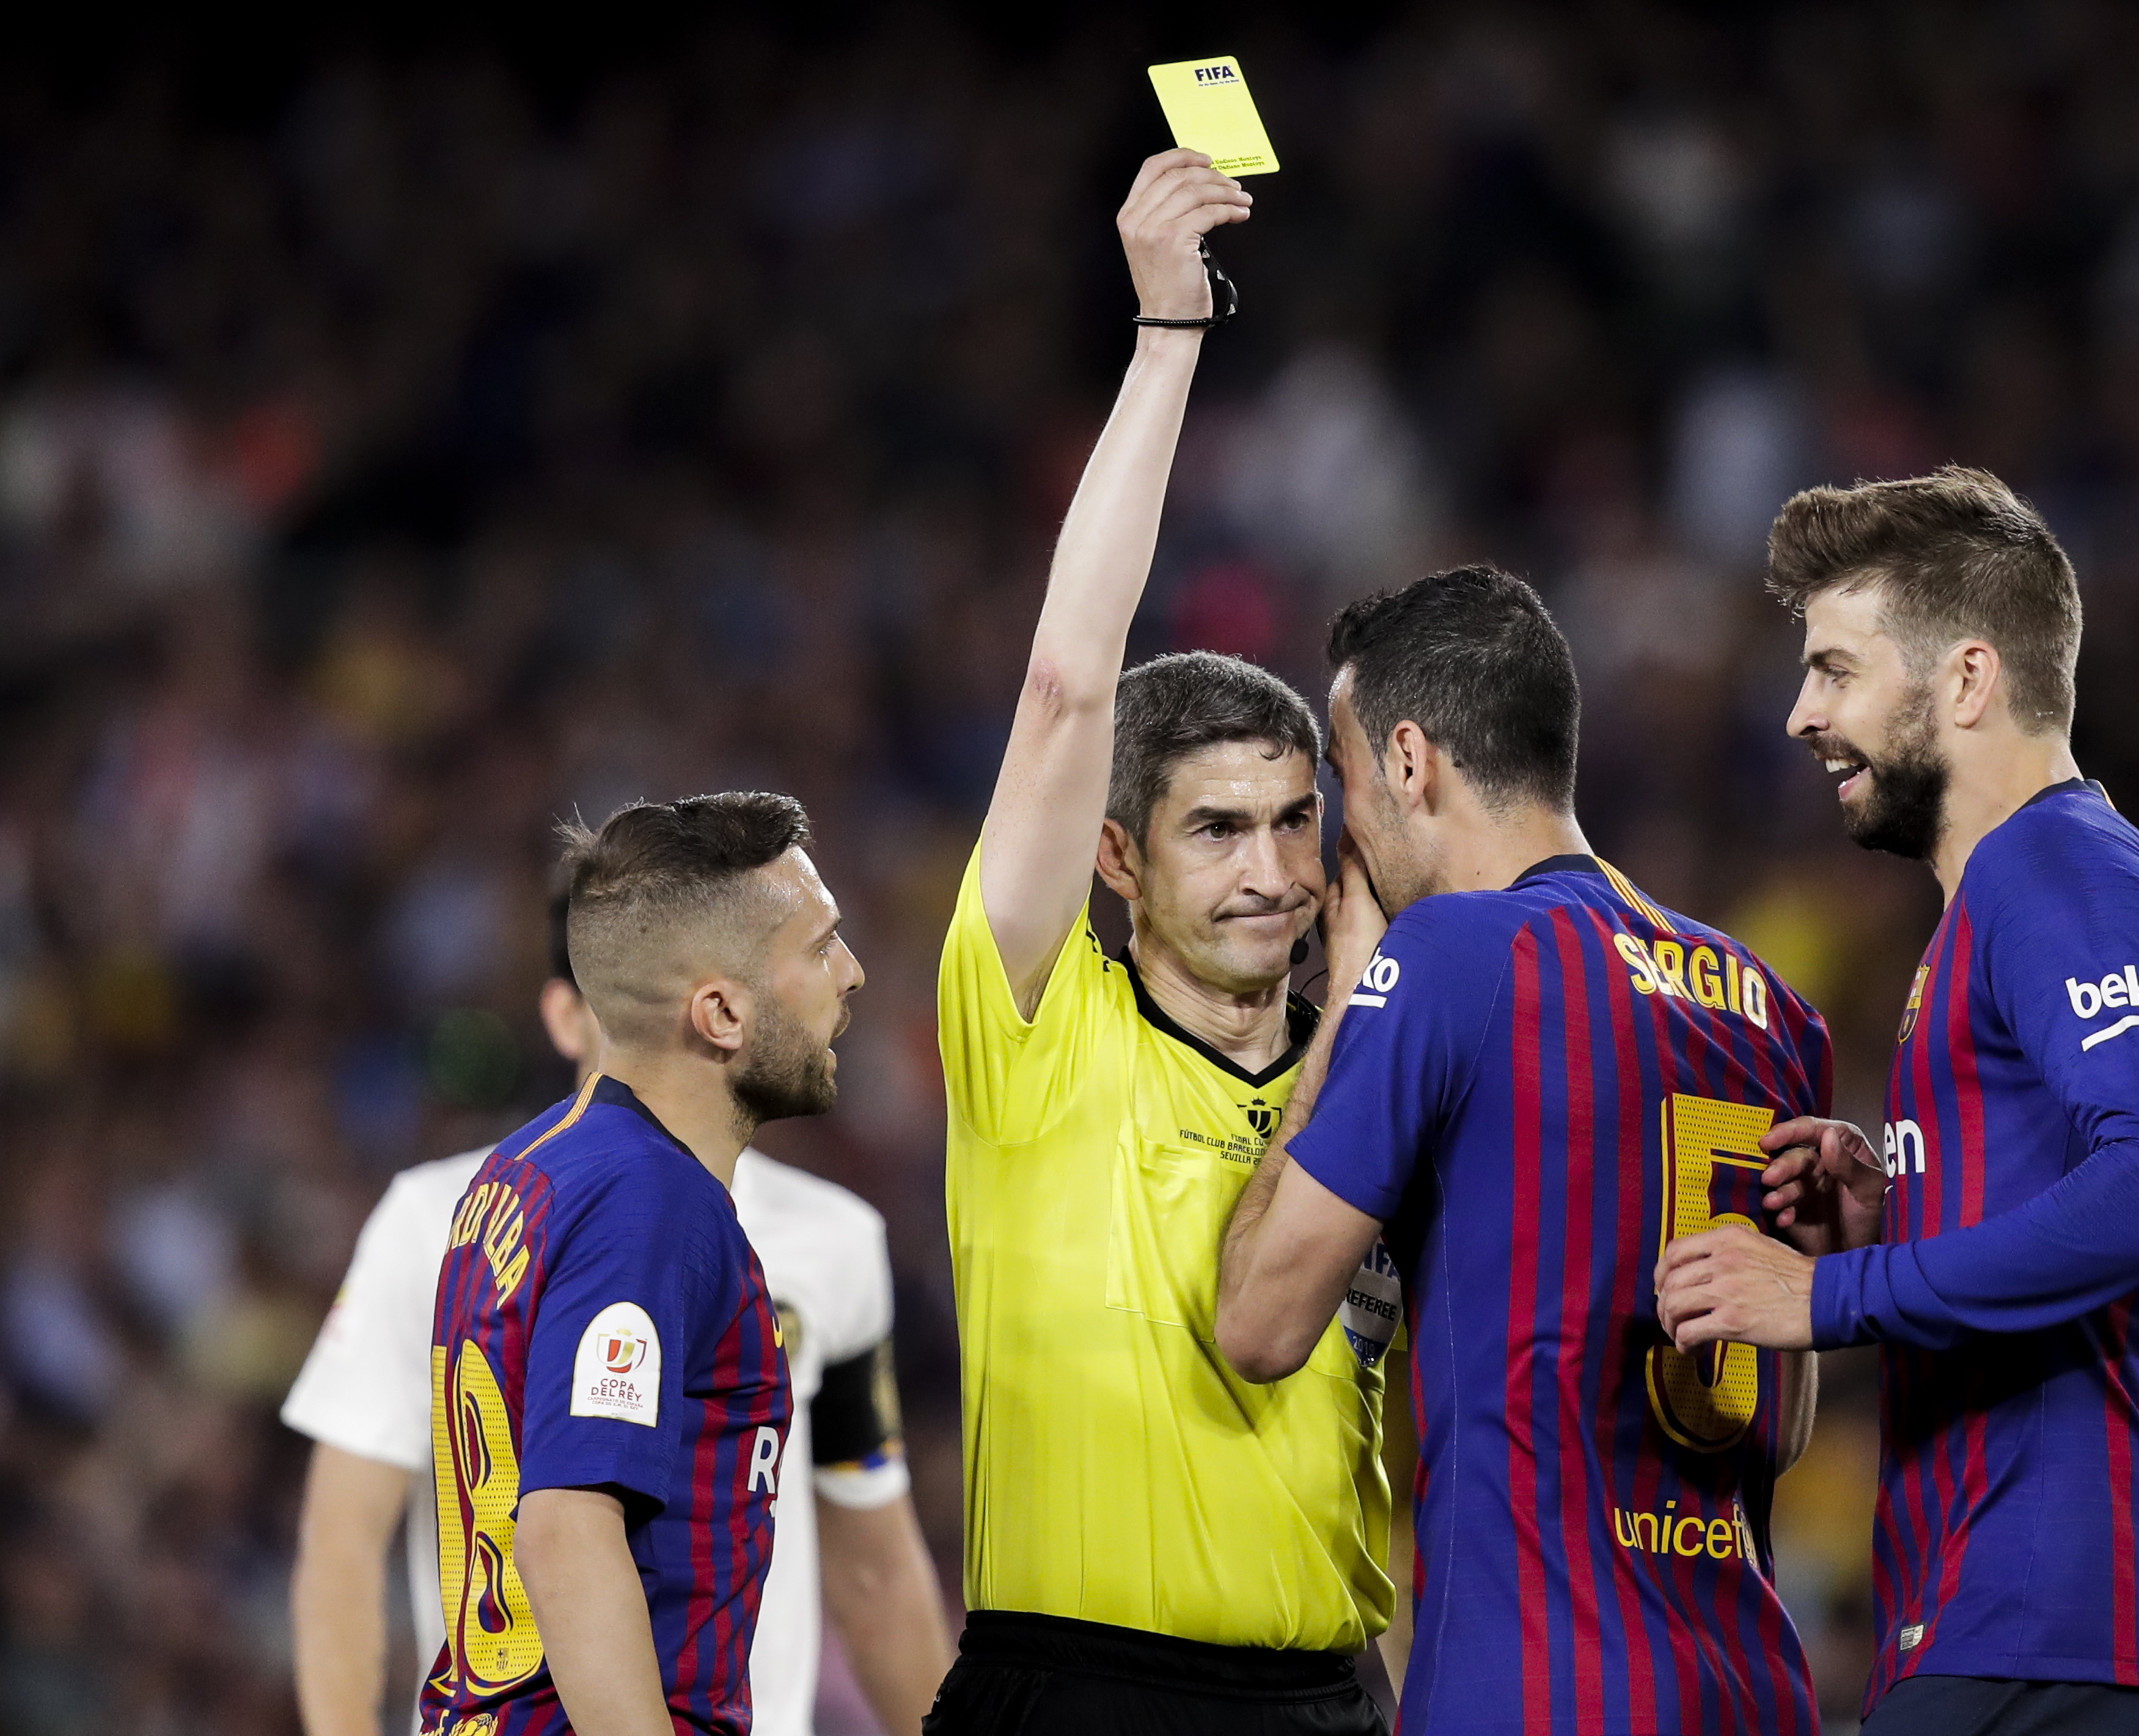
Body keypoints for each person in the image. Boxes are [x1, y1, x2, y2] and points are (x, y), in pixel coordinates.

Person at [1654, 468, 2139, 1735]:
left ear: (1968, 680)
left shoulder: (2051, 865)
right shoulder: (2034, 890)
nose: (1799, 714)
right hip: (2048, 1636)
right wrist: (1908, 1218)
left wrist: (1826, 1295)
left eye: (1835, 668)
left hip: (2052, 1641)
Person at [928, 150, 1397, 1736]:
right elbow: (1067, 682)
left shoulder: (1390, 1073)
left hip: (1333, 1696)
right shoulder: (1031, 1025)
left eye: (1290, 821)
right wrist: (1165, 343)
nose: (1271, 868)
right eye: (1216, 827)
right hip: (1078, 1700)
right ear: (1115, 853)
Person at [1215, 565, 1830, 1735]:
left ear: (1408, 758)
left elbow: (1256, 1322)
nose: (1341, 834)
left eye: (1342, 780)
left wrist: (1345, 1003)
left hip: (1540, 1682)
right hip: (1750, 1683)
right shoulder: (1769, 1004)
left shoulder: (1452, 953)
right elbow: (1779, 1428)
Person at [282, 890, 952, 1736]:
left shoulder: (837, 1241)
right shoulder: (433, 1219)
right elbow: (345, 1540)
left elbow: (876, 1573)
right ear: (566, 1014)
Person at [411, 791, 855, 1736]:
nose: (851, 975)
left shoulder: (527, 1166)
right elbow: (569, 1531)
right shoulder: (648, 1202)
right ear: (722, 1012)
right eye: (820, 948)